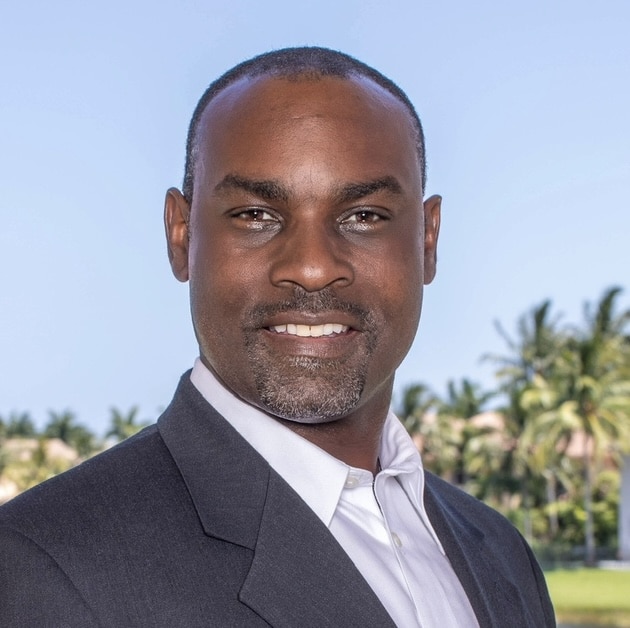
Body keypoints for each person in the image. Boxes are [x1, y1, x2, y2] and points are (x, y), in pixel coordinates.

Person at [0, 47, 555, 627]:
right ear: (181, 235)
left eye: (364, 215)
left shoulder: (500, 554)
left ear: (427, 240)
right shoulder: (44, 567)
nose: (312, 267)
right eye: (255, 215)